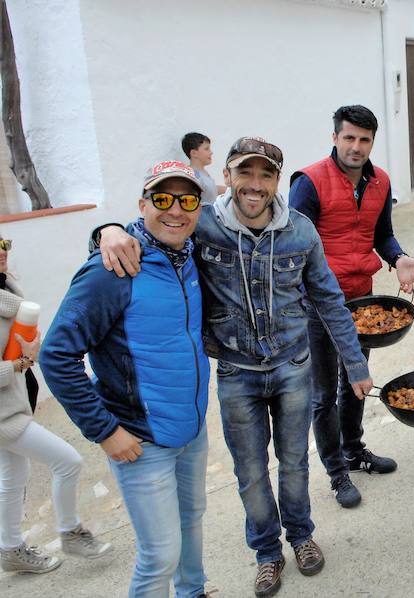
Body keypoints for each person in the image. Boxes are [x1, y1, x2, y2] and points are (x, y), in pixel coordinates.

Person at [93, 139, 373, 597]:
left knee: (295, 462)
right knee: (250, 471)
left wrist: (355, 364)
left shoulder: (301, 232)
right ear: (228, 175)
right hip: (237, 372)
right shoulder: (201, 225)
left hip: (292, 366)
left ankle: (301, 536)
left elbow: (329, 300)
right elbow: (143, 231)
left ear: (277, 182)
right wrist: (104, 230)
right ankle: (267, 553)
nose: (255, 185)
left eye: (266, 175)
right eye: (246, 173)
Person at [40, 161, 206, 595]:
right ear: (142, 204)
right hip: (138, 441)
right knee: (160, 557)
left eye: (187, 200)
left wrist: (106, 227)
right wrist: (105, 431)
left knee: (191, 526)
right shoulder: (111, 270)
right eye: (162, 199)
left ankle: (192, 592)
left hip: (190, 431)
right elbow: (56, 355)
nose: (175, 210)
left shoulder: (189, 255)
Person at [289, 105, 414, 509]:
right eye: (349, 137)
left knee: (357, 380)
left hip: (361, 300)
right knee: (322, 395)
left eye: (364, 139)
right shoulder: (309, 182)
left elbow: (382, 234)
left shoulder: (380, 181)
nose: (356, 146)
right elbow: (296, 247)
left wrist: (397, 256)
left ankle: (354, 450)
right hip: (317, 304)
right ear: (335, 138)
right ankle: (335, 473)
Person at [0, 238, 111, 575]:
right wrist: (21, 362)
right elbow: (16, 358)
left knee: (13, 476)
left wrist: (25, 350)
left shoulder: (8, 290)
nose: (2, 250)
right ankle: (71, 531)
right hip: (4, 415)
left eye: (3, 242)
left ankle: (10, 549)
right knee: (68, 461)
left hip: (14, 404)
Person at [182, 132, 226, 205]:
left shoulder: (202, 173)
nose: (211, 152)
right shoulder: (192, 176)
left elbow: (209, 190)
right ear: (194, 153)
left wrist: (230, 190)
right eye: (206, 149)